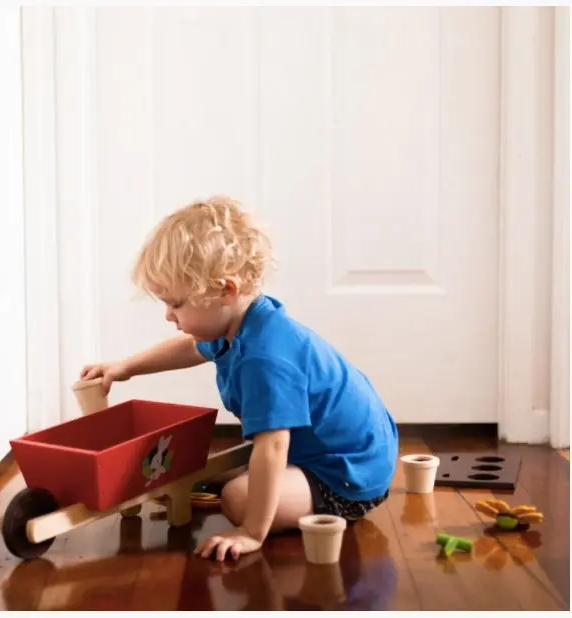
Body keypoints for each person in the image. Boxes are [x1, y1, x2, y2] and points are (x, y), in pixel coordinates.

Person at [79, 195, 399, 562]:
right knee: (216, 470)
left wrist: (251, 532)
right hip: (330, 452)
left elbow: (273, 446)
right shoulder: (239, 321)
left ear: (224, 291)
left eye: (176, 304)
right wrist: (125, 367)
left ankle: (273, 509)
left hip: (347, 476)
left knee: (237, 498)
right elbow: (188, 348)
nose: (168, 314)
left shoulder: (265, 358)